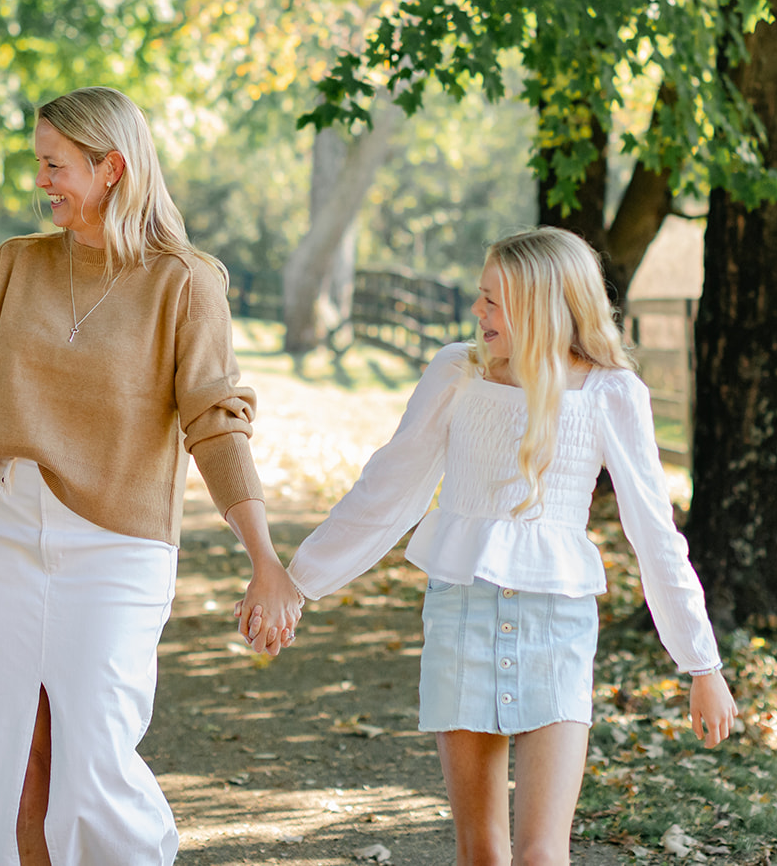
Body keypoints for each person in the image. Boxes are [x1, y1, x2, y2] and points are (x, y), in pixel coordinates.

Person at [0, 86, 302, 866]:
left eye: (56, 164)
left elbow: (216, 422)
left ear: (112, 168)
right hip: (6, 532)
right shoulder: (15, 265)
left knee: (93, 755)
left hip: (117, 547)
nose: (43, 180)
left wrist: (264, 558)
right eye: (40, 162)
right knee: (9, 753)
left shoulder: (184, 282)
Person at [286, 226, 736, 866]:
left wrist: (702, 665)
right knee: (482, 855)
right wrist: (298, 582)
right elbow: (388, 489)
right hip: (460, 615)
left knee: (540, 856)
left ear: (542, 305)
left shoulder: (610, 394)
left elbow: (655, 535)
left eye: (494, 300)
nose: (478, 312)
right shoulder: (456, 373)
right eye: (481, 296)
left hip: (557, 627)